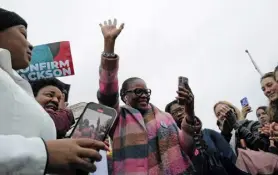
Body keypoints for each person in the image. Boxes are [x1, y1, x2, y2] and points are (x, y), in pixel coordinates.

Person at [0, 8, 106, 174]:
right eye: (23, 34)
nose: (30, 44)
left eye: (59, 98)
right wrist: (44, 154)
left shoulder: (16, 83)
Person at [97, 19, 200, 175]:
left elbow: (188, 148)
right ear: (124, 96)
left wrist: (190, 111)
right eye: (138, 92)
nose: (144, 95)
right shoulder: (118, 118)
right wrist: (109, 46)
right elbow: (107, 93)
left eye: (146, 92)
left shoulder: (166, 117)